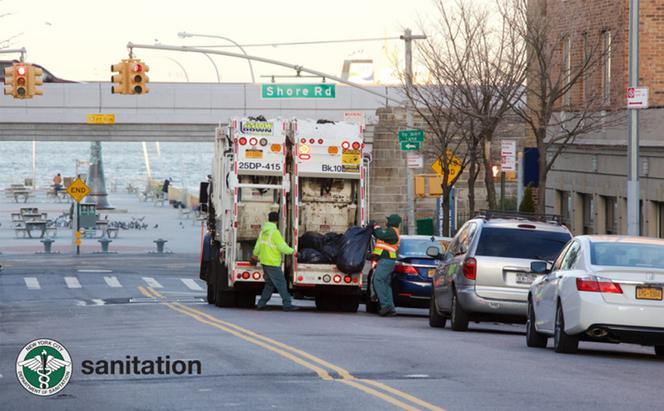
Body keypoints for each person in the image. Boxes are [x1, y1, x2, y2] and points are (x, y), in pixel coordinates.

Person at [252, 212, 298, 311]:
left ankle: (261, 304)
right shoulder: (274, 232)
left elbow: (258, 245)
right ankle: (287, 304)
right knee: (281, 283)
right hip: (272, 262)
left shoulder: (263, 231)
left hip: (264, 261)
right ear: (277, 220)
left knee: (270, 284)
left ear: (269, 219)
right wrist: (293, 252)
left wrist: (255, 255)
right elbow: (282, 247)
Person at [371, 214, 402, 317]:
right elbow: (381, 240)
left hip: (386, 261)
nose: (386, 222)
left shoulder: (391, 231)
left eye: (388, 220)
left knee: (378, 280)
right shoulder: (392, 232)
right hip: (386, 260)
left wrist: (375, 227)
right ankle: (390, 308)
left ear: (391, 222)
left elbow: (380, 234)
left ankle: (385, 305)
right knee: (385, 284)